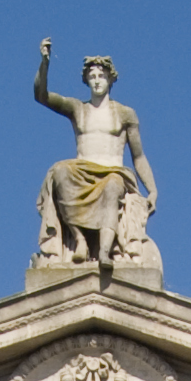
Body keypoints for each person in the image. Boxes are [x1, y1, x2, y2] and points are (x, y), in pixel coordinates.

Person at [33, 39, 159, 267]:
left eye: (101, 76)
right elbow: (41, 96)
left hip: (114, 171)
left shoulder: (125, 113)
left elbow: (138, 156)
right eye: (92, 77)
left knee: (112, 186)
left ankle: (104, 251)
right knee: (60, 172)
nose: (97, 81)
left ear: (110, 79)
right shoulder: (77, 108)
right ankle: (80, 240)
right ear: (86, 81)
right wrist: (44, 63)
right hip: (82, 170)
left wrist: (152, 189)